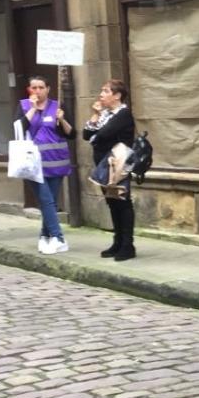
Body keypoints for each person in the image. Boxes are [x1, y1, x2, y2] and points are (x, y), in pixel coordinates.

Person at [18, 75, 75, 255]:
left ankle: (45, 235)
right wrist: (33, 110)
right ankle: (59, 238)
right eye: (33, 88)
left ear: (48, 89)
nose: (37, 91)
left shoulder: (58, 106)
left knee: (49, 201)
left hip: (56, 162)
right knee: (46, 200)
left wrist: (62, 119)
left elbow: (71, 133)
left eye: (41, 87)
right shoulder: (24, 106)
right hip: (34, 165)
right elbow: (19, 127)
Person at [83, 79, 136, 261]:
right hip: (103, 165)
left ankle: (128, 245)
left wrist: (96, 135)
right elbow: (86, 135)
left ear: (117, 95)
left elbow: (102, 136)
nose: (101, 94)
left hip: (118, 164)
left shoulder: (123, 114)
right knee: (112, 203)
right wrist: (95, 115)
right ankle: (117, 241)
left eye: (106, 91)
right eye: (102, 90)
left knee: (122, 201)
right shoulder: (105, 114)